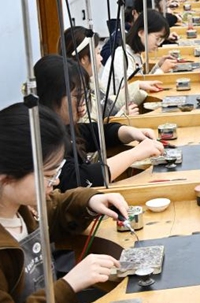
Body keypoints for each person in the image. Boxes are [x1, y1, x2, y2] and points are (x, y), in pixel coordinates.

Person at [0, 103, 133, 303]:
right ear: (5, 178)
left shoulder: (22, 208)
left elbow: (55, 207)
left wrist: (91, 200)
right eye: (48, 175)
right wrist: (69, 284)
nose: (57, 182)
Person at [34, 55, 165, 191]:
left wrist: (131, 132)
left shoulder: (64, 127)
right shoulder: (45, 138)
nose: (83, 101)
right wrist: (135, 153)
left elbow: (95, 132)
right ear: (52, 96)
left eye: (85, 94)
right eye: (77, 96)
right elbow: (78, 179)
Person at [60, 27, 164, 120]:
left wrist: (138, 86)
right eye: (97, 53)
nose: (101, 58)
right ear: (83, 59)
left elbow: (108, 103)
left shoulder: (90, 81)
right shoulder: (77, 95)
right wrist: (121, 117)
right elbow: (92, 131)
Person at [100, 10, 177, 96]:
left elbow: (141, 83)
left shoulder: (135, 54)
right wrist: (161, 70)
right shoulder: (122, 56)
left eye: (161, 40)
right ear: (141, 32)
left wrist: (158, 66)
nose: (158, 44)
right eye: (157, 38)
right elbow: (132, 92)